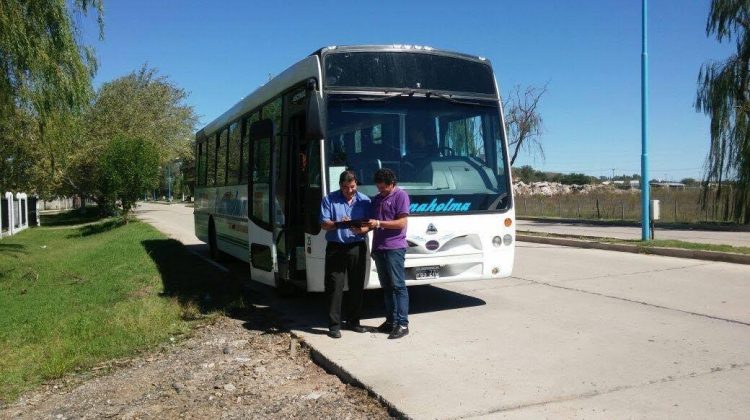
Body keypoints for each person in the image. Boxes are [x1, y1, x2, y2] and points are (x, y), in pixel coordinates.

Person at [319, 170, 371, 338]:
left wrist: (364, 228)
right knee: (335, 286)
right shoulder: (329, 199)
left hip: (357, 246)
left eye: (352, 187)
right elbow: (324, 224)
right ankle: (334, 326)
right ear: (340, 186)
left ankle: (353, 322)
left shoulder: (364, 200)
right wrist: (338, 224)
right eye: (345, 187)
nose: (349, 191)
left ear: (356, 184)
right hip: (336, 247)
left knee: (357, 284)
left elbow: (371, 223)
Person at [367, 168, 411, 339]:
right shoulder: (377, 199)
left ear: (392, 184)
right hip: (379, 248)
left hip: (395, 248)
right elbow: (371, 223)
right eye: (378, 187)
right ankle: (390, 321)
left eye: (383, 188)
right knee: (386, 287)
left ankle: (402, 323)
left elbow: (401, 223)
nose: (380, 190)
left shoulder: (401, 196)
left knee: (398, 286)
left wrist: (378, 223)